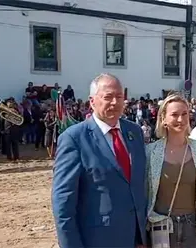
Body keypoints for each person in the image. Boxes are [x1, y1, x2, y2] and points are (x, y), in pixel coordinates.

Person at [51, 73, 147, 248]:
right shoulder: (74, 139)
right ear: (92, 101)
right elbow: (63, 205)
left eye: (119, 97)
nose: (115, 102)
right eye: (108, 97)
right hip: (98, 240)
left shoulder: (134, 132)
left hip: (136, 237)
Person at [146, 94, 196, 247]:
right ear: (163, 119)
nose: (181, 119)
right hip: (162, 228)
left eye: (184, 114)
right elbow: (146, 194)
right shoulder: (151, 152)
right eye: (174, 115)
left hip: (194, 228)